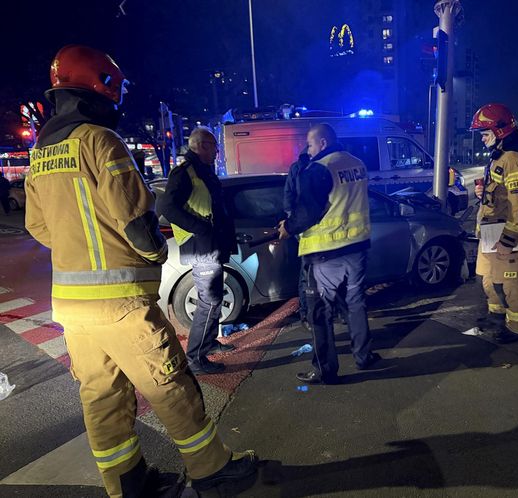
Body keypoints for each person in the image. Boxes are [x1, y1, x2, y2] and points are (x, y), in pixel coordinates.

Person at [24, 45, 256, 498]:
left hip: (71, 310)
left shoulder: (41, 154)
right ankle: (212, 470)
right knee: (171, 384)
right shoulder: (100, 140)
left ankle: (128, 485)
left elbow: (37, 226)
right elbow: (136, 219)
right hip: (121, 303)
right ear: (102, 87)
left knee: (102, 397)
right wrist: (151, 253)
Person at [278, 123, 380, 384]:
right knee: (356, 303)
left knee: (320, 313)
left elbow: (309, 210)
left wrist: (288, 227)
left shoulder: (320, 168)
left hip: (326, 253)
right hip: (357, 247)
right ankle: (363, 356)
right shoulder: (357, 163)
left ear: (323, 143)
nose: (308, 151)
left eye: (310, 145)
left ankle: (325, 370)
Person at [158, 126, 237, 375]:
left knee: (214, 298)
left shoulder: (203, 171)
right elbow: (168, 208)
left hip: (212, 245)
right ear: (201, 145)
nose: (217, 151)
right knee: (209, 302)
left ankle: (209, 343)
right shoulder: (184, 173)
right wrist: (201, 228)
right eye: (214, 145)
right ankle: (196, 357)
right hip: (200, 247)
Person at [470, 103, 518, 344]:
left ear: (499, 131)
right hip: (490, 231)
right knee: (487, 279)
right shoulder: (500, 157)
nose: (483, 139)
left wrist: (509, 240)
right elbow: (500, 193)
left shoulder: (513, 159)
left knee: (508, 283)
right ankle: (497, 316)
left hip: (504, 233)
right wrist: (482, 193)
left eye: (484, 133)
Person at [283, 149, 312, 330]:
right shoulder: (308, 168)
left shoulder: (298, 168)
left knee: (307, 274)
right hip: (307, 228)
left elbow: (288, 198)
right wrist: (293, 224)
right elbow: (289, 199)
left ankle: (307, 314)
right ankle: (307, 313)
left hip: (304, 228)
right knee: (307, 274)